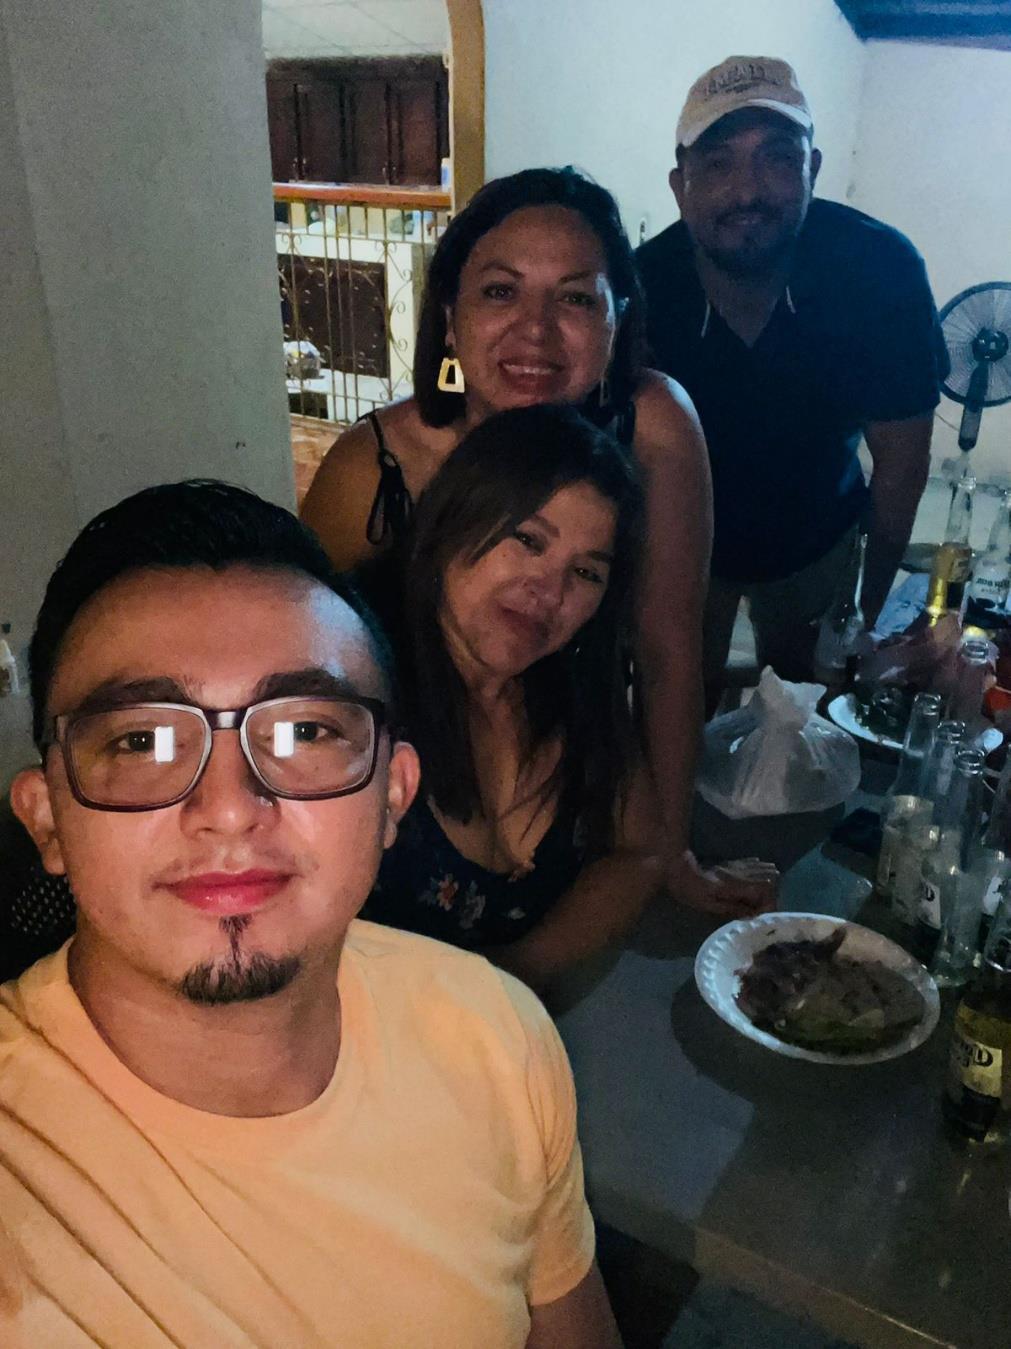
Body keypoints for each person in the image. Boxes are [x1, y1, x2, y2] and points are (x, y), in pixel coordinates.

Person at [0, 480, 621, 1348]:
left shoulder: (493, 1031)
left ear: (393, 795)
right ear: (45, 820)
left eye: (302, 733)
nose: (228, 808)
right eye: (142, 740)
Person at [303, 166, 775, 917]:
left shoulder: (652, 427)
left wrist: (669, 850)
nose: (536, 330)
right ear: (450, 315)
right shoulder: (375, 467)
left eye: (576, 299)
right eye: (500, 291)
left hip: (577, 776)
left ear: (617, 321)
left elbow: (667, 650)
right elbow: (309, 681)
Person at [635, 56, 949, 709]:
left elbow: (901, 464)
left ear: (813, 169)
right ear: (679, 185)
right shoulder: (639, 288)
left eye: (777, 158)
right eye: (717, 163)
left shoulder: (878, 270)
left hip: (820, 541)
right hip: (679, 548)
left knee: (815, 714)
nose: (747, 191)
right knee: (672, 709)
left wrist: (860, 614)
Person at [361, 404, 662, 992]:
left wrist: (513, 981)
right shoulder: (350, 688)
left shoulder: (572, 682)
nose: (549, 590)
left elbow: (643, 849)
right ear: (455, 516)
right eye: (527, 540)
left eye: (586, 573)